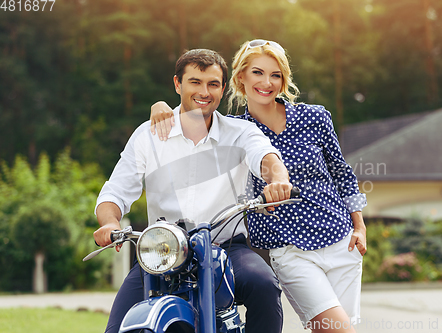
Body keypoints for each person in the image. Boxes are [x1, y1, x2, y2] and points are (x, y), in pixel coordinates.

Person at [150, 40, 368, 333]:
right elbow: (190, 119)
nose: (267, 83)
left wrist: (359, 225)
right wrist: (161, 107)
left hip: (341, 240)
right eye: (258, 73)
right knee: (338, 330)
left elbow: (341, 173)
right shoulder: (234, 131)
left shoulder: (315, 117)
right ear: (240, 77)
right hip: (289, 250)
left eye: (275, 75)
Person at [94, 49, 292, 333]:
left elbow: (267, 158)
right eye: (195, 82)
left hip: (226, 247)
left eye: (213, 84)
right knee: (119, 328)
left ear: (223, 89)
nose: (204, 91)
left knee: (264, 285)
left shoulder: (240, 132)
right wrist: (110, 222)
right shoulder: (147, 135)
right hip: (162, 252)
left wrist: (277, 182)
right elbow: (115, 191)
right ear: (178, 84)